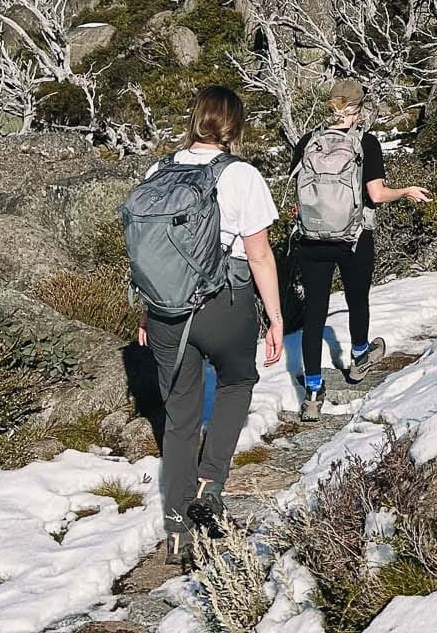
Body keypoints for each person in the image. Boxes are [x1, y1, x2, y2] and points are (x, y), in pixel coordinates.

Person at [136, 86, 285, 567]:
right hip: (226, 303)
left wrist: (148, 311)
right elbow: (259, 254)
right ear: (235, 126)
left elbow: (149, 255)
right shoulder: (242, 175)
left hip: (166, 312)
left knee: (178, 418)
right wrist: (276, 318)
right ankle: (210, 482)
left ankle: (176, 532)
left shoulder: (159, 171)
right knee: (238, 381)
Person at [288, 77, 433, 421]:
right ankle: (359, 357)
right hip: (353, 237)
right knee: (357, 297)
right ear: (357, 109)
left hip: (311, 239)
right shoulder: (365, 142)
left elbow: (299, 194)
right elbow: (377, 195)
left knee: (314, 314)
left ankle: (312, 392)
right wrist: (408, 190)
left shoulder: (308, 142)